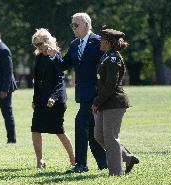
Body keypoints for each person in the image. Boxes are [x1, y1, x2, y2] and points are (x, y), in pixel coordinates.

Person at [47, 12, 107, 173]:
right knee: (93, 131)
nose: (73, 28)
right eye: (72, 25)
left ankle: (81, 164)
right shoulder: (74, 44)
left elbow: (106, 67)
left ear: (87, 25)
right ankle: (104, 163)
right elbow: (64, 65)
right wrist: (54, 56)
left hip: (96, 94)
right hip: (82, 94)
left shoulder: (99, 42)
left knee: (81, 123)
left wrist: (102, 93)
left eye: (76, 25)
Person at [91, 28, 139, 176]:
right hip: (106, 102)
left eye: (102, 40)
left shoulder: (113, 59)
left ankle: (116, 173)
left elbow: (111, 85)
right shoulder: (107, 56)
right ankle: (127, 158)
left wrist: (97, 102)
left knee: (111, 137)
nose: (100, 42)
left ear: (108, 42)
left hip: (114, 103)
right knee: (99, 136)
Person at [31, 28, 75, 168]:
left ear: (48, 41)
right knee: (36, 129)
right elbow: (37, 82)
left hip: (56, 100)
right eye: (37, 45)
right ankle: (40, 161)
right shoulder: (38, 58)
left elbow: (60, 80)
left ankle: (73, 159)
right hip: (41, 100)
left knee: (59, 131)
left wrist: (53, 97)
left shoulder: (56, 56)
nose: (40, 47)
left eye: (41, 43)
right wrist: (35, 100)